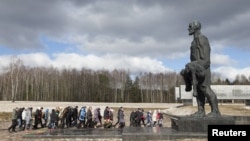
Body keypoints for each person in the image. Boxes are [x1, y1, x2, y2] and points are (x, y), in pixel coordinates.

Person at [181, 20, 221, 117]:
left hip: (203, 68)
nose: (188, 28)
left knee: (205, 89)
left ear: (195, 28)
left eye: (190, 26)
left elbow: (206, 60)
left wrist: (196, 66)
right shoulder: (193, 42)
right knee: (198, 89)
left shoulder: (202, 39)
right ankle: (201, 110)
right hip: (196, 68)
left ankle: (215, 111)